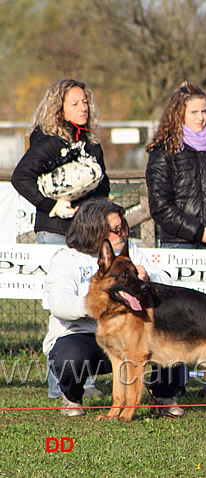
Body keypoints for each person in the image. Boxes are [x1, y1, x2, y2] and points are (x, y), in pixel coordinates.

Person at [11, 78, 110, 400]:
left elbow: (103, 188)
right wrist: (53, 205)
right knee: (63, 307)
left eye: (85, 102)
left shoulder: (90, 143)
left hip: (89, 235)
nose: (83, 108)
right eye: (75, 103)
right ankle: (60, 387)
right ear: (59, 108)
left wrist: (96, 214)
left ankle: (85, 381)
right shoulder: (51, 142)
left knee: (92, 300)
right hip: (56, 232)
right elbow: (20, 177)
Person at [145, 82, 206, 397]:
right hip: (178, 246)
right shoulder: (163, 154)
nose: (201, 117)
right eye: (194, 112)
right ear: (179, 114)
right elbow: (160, 206)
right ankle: (169, 390)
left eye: (205, 111)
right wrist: (199, 232)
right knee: (175, 321)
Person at [43, 199, 183, 417]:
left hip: (128, 336)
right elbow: (60, 304)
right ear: (95, 231)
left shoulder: (129, 251)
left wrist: (148, 277)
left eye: (123, 227)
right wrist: (101, 305)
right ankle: (72, 398)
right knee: (69, 356)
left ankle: (164, 396)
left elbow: (167, 283)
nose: (123, 234)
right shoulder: (66, 259)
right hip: (84, 335)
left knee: (171, 336)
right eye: (117, 230)